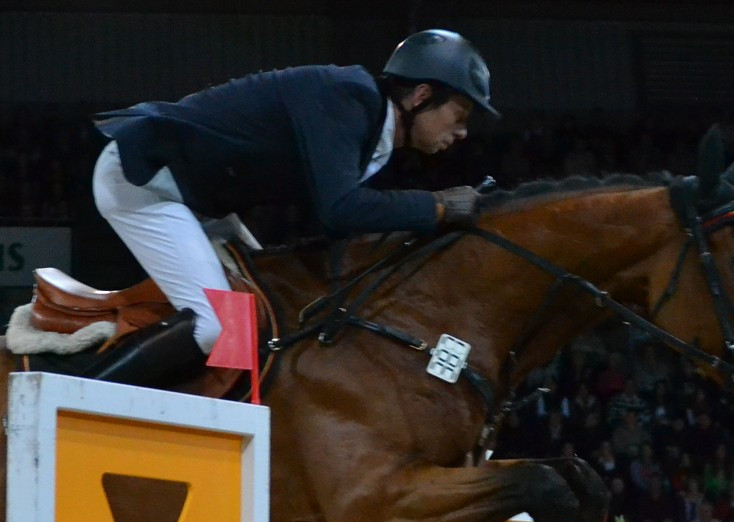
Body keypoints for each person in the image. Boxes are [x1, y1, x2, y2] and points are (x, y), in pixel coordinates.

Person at [86, 29, 498, 387]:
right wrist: (437, 207)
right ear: (422, 96)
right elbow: (341, 211)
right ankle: (77, 397)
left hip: (199, 201)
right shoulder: (347, 98)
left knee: (272, 313)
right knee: (218, 328)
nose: (461, 132)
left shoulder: (373, 129)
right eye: (459, 115)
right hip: (144, 181)